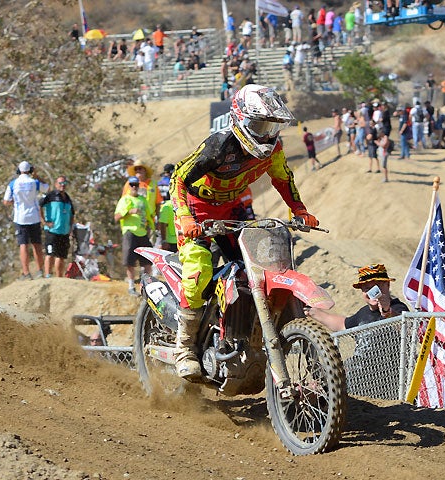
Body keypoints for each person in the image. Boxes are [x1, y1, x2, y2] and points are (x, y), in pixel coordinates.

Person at [170, 84, 319, 379]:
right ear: (239, 119)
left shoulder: (273, 148)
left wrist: (299, 210)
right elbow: (178, 179)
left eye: (270, 126)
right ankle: (184, 347)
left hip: (232, 210)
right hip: (198, 212)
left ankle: (245, 330)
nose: (264, 134)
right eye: (259, 125)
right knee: (198, 269)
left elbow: (282, 177)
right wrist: (186, 217)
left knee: (258, 266)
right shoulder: (219, 146)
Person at [307, 264, 409, 398]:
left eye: (378, 286)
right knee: (313, 385)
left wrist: (387, 311)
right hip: (355, 376)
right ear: (362, 291)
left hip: (384, 382)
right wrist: (312, 312)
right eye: (367, 288)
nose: (373, 292)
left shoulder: (398, 307)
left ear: (387, 286)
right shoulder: (363, 313)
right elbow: (342, 324)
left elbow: (405, 326)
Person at [3, 161, 48, 280]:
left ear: (19, 171)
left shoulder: (13, 183)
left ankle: (26, 273)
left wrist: (15, 202)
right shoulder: (34, 182)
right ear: (31, 170)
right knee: (36, 244)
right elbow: (47, 188)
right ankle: (39, 271)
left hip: (20, 217)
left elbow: (6, 201)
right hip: (34, 216)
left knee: (23, 244)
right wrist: (37, 175)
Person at [114, 176, 154, 295]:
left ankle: (149, 286)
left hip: (143, 232)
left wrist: (152, 228)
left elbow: (149, 215)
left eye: (136, 184)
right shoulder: (124, 200)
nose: (134, 187)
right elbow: (116, 217)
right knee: (129, 261)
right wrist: (128, 212)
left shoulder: (143, 200)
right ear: (128, 186)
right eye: (132, 184)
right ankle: (131, 286)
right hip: (130, 232)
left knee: (147, 261)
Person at [39, 176, 75, 278]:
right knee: (50, 253)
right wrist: (44, 222)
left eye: (64, 183)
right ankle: (47, 275)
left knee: (61, 256)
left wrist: (70, 228)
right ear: (56, 184)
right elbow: (39, 206)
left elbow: (72, 214)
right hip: (52, 230)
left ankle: (59, 278)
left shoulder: (68, 199)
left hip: (64, 232)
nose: (62, 186)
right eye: (60, 183)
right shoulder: (50, 196)